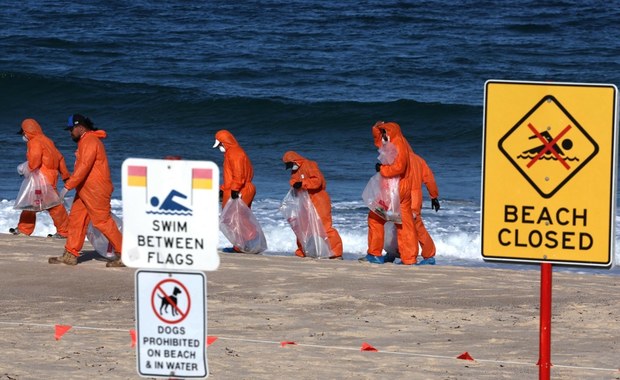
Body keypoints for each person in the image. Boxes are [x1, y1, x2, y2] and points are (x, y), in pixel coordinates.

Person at [48, 114, 124, 267]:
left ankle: (123, 254)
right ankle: (70, 254)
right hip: (85, 190)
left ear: (80, 127)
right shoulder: (85, 141)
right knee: (76, 220)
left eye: (71, 129)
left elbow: (84, 167)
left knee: (102, 222)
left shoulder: (90, 141)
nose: (70, 133)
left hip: (96, 190)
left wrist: (66, 187)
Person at [363, 121, 416, 265]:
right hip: (389, 189)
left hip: (396, 190)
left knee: (401, 223)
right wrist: (376, 129)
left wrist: (382, 169)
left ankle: (407, 258)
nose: (383, 135)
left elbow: (399, 167)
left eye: (385, 132)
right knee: (377, 218)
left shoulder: (398, 144)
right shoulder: (391, 142)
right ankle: (377, 254)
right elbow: (378, 142)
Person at [10, 118, 70, 238]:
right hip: (52, 177)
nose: (23, 136)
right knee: (44, 204)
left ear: (27, 132)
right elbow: (60, 158)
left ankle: (25, 230)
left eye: (23, 133)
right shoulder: (48, 141)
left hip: (41, 179)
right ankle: (64, 231)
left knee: (38, 204)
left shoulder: (34, 142)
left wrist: (24, 168)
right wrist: (65, 176)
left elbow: (34, 162)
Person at [282, 151, 343, 259]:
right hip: (305, 201)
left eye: (290, 165)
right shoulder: (295, 170)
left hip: (318, 199)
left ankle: (336, 252)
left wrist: (302, 183)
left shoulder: (309, 164)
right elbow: (294, 181)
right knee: (303, 227)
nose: (290, 168)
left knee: (324, 227)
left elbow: (317, 181)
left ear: (295, 161)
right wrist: (295, 185)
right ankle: (303, 250)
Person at [213, 129, 256, 252]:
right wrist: (223, 189)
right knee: (237, 218)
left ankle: (244, 245)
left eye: (220, 144)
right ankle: (244, 245)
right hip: (239, 188)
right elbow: (232, 175)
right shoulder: (233, 152)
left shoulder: (234, 154)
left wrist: (235, 189)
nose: (220, 147)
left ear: (225, 142)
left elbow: (238, 174)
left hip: (239, 189)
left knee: (235, 219)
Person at [409, 151, 440, 265]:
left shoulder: (400, 158)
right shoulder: (419, 160)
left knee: (414, 226)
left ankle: (427, 255)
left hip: (409, 196)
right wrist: (434, 196)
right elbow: (429, 178)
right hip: (411, 196)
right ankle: (397, 252)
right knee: (406, 225)